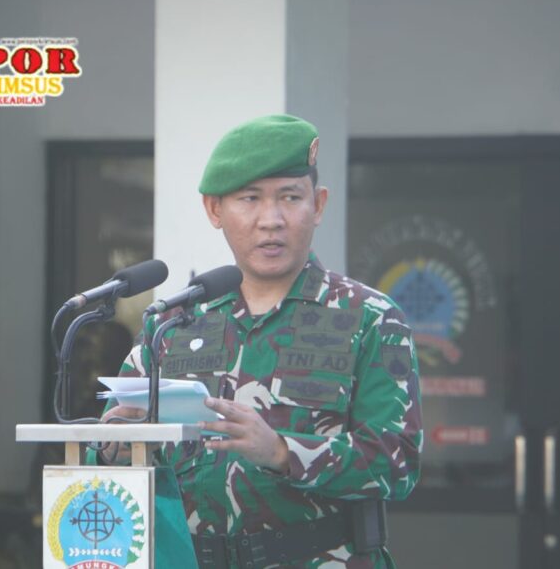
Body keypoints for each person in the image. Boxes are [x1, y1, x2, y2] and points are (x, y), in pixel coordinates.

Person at [100, 114, 422, 568]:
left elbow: (398, 461)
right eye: (249, 199)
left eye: (290, 197)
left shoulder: (369, 318)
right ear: (215, 210)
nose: (271, 220)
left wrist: (282, 452)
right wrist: (112, 448)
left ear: (318, 205)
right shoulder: (173, 323)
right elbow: (110, 447)